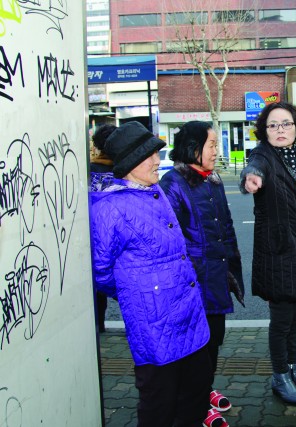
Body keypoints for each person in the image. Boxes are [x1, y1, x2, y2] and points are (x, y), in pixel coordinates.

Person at [90, 121, 212, 426]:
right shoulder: (109, 208)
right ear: (129, 164)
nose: (158, 161)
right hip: (153, 320)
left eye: (157, 154)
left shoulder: (154, 190)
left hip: (189, 312)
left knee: (194, 394)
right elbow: (101, 271)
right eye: (149, 156)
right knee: (160, 401)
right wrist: (139, 291)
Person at [160, 121, 245, 427]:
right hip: (191, 282)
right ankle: (196, 403)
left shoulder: (213, 180)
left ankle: (204, 388)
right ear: (193, 148)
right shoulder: (173, 184)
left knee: (213, 339)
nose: (216, 150)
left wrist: (232, 266)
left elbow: (228, 227)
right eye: (211, 144)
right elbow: (169, 242)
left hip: (217, 275)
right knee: (195, 345)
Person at [240, 102, 296, 405]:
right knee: (281, 318)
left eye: (285, 124)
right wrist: (251, 179)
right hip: (277, 251)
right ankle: (280, 375)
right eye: (273, 125)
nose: (280, 130)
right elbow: (253, 170)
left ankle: (293, 367)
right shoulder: (262, 156)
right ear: (264, 130)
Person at [89, 124, 117, 333]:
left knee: (96, 285)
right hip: (119, 235)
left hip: (93, 235)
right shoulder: (124, 171)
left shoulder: (88, 172)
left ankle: (98, 324)